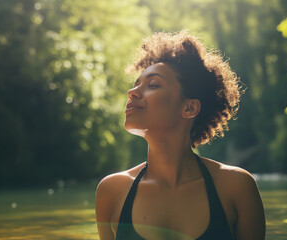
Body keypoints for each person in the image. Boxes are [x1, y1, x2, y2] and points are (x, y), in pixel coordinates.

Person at [95, 31, 266, 240]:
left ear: (189, 108)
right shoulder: (112, 191)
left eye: (153, 84)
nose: (133, 92)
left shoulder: (236, 187)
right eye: (136, 84)